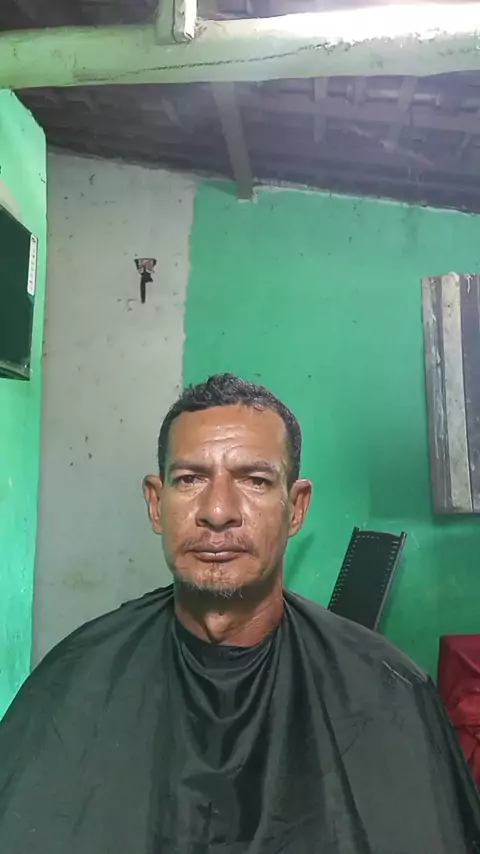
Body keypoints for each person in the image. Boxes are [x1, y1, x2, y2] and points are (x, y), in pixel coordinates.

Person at [0, 373, 479, 854]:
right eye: (190, 479)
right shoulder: (75, 680)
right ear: (156, 503)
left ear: (296, 508)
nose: (218, 511)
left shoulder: (387, 691)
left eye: (254, 480)